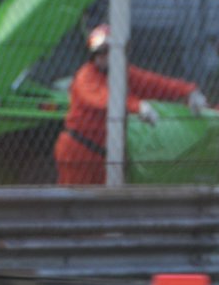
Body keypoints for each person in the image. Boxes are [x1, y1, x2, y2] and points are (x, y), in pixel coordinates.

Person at [53, 24, 206, 187]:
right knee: (77, 203)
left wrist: (188, 91)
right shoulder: (86, 76)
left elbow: (154, 84)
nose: (103, 56)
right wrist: (138, 106)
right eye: (99, 52)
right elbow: (105, 99)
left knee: (100, 204)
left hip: (103, 154)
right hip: (79, 151)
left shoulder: (122, 73)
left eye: (107, 50)